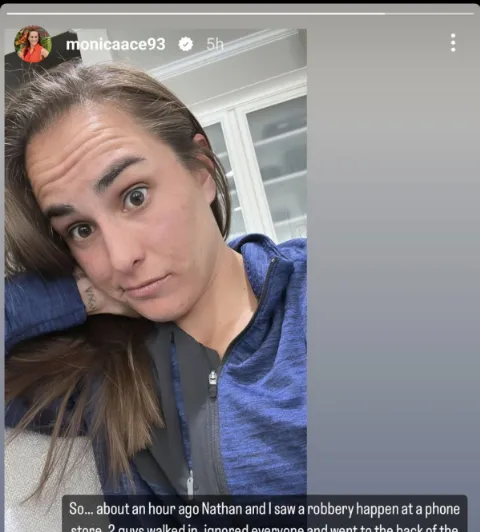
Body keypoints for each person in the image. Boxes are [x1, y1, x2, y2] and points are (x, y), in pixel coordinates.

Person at [5, 60, 306, 508]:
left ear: (201, 169)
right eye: (81, 230)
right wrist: (81, 295)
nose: (120, 258)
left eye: (135, 196)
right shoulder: (106, 371)